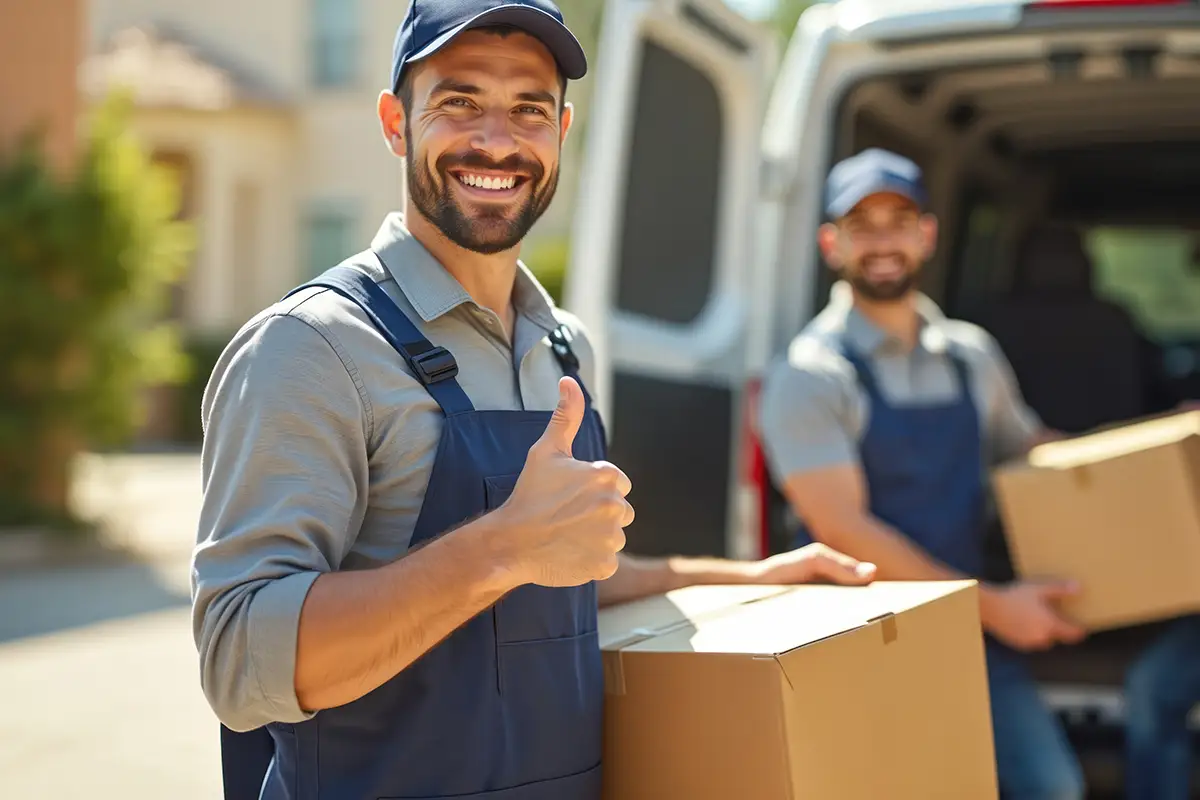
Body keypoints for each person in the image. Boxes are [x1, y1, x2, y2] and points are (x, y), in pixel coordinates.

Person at [190, 3, 877, 799]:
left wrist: (751, 578)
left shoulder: (565, 348)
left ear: (563, 129)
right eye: (459, 102)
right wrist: (499, 549)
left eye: (529, 109)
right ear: (394, 122)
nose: (496, 140)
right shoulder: (311, 349)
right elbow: (240, 664)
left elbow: (564, 583)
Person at [756, 148, 1088, 799]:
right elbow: (841, 527)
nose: (883, 242)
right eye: (862, 225)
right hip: (852, 641)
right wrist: (994, 608)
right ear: (832, 243)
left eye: (898, 221)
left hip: (968, 635)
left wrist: (1158, 450)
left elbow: (1031, 452)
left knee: (1053, 787)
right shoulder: (811, 374)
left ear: (926, 235)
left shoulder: (971, 355)